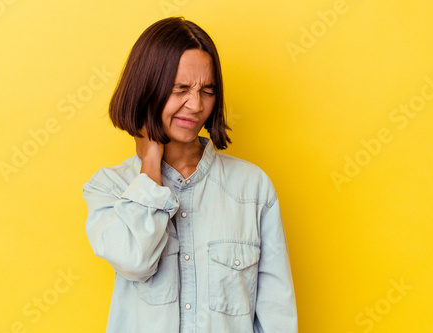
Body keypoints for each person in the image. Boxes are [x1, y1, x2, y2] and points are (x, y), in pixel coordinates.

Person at [83, 17, 297, 333]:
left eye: (207, 90)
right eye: (180, 88)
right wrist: (151, 161)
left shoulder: (253, 189)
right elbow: (134, 260)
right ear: (146, 90)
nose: (195, 105)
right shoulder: (109, 188)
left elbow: (277, 316)